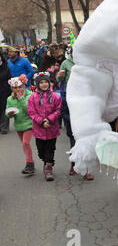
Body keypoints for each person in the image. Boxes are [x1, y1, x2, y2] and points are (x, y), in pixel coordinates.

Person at [56, 46, 93, 180]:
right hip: (69, 98)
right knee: (73, 137)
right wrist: (59, 76)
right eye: (73, 52)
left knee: (85, 138)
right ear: (70, 53)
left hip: (84, 99)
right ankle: (73, 164)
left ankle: (86, 168)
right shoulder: (65, 63)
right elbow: (58, 79)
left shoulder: (86, 63)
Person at [27, 71, 62, 181]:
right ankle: (46, 160)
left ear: (49, 83)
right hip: (39, 130)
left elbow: (58, 110)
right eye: (41, 82)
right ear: (37, 84)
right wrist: (42, 121)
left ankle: (48, 167)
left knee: (50, 149)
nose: (44, 84)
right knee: (41, 150)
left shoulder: (56, 96)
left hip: (52, 129)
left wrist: (50, 119)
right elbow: (31, 112)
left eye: (45, 82)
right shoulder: (32, 97)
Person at [5, 75, 35, 175]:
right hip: (18, 125)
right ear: (12, 88)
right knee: (25, 145)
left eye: (20, 87)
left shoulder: (30, 95)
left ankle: (29, 164)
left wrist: (21, 98)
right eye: (15, 88)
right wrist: (9, 114)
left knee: (25, 143)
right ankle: (31, 164)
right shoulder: (10, 99)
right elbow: (7, 111)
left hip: (29, 124)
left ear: (24, 86)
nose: (18, 89)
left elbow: (29, 110)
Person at [0, 53, 12, 134]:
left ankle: (4, 127)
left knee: (4, 109)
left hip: (4, 91)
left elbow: (9, 79)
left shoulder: (6, 67)